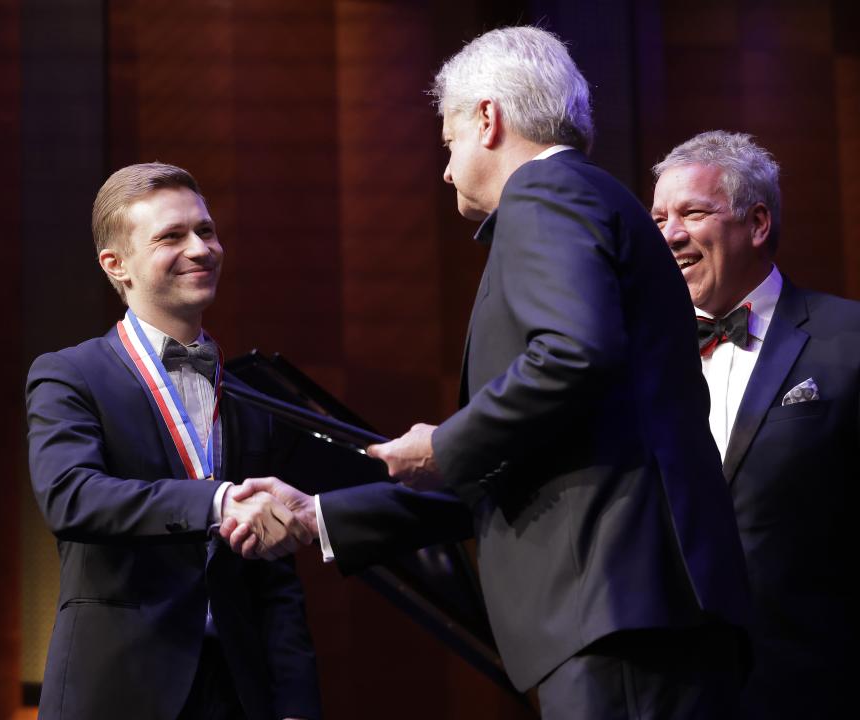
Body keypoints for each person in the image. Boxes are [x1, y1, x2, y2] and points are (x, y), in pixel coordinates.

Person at [222, 27, 751, 719]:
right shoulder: (590, 197)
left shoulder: (544, 192)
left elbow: (571, 353)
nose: (446, 170)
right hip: (636, 605)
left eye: (449, 144)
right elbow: (521, 455)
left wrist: (443, 445)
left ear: (488, 118)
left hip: (614, 603)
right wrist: (316, 515)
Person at [26, 162, 321, 720]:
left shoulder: (252, 395)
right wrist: (215, 500)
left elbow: (276, 578)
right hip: (116, 690)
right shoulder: (69, 374)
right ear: (116, 265)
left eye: (206, 230)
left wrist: (298, 706)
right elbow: (71, 497)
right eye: (171, 236)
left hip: (237, 692)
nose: (201, 249)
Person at [651, 130, 858, 719]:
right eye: (659, 217)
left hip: (818, 684)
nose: (669, 234)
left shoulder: (851, 341)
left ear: (758, 222)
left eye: (692, 212)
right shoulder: (631, 358)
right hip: (673, 688)